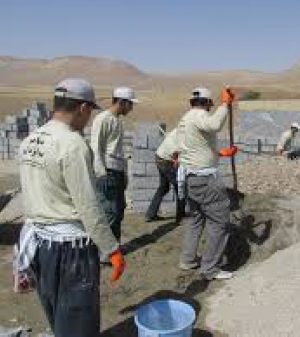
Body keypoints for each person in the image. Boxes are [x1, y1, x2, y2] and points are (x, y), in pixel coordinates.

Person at [17, 78, 125, 337]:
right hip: (71, 252)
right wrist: (112, 249)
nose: (88, 119)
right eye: (89, 113)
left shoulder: (31, 140)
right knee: (79, 323)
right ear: (83, 108)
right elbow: (89, 206)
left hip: (40, 247)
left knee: (57, 315)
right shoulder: (72, 144)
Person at [177, 87, 237, 280]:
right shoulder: (199, 115)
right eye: (211, 104)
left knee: (196, 219)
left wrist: (220, 153)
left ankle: (188, 259)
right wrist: (226, 104)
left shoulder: (185, 119)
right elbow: (215, 125)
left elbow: (196, 146)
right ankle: (210, 268)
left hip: (190, 178)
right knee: (219, 221)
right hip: (205, 179)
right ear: (207, 103)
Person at [90, 87, 138, 242]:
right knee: (110, 212)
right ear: (122, 102)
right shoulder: (103, 119)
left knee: (118, 211)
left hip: (116, 172)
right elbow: (95, 148)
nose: (131, 108)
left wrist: (123, 174)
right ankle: (107, 252)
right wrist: (101, 174)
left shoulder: (116, 120)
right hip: (107, 173)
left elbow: (117, 150)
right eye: (130, 104)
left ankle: (114, 248)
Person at [145, 128, 185, 223]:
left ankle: (151, 214)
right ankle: (180, 217)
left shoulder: (179, 130)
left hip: (159, 157)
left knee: (164, 187)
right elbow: (175, 154)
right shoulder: (185, 135)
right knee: (180, 187)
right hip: (167, 161)